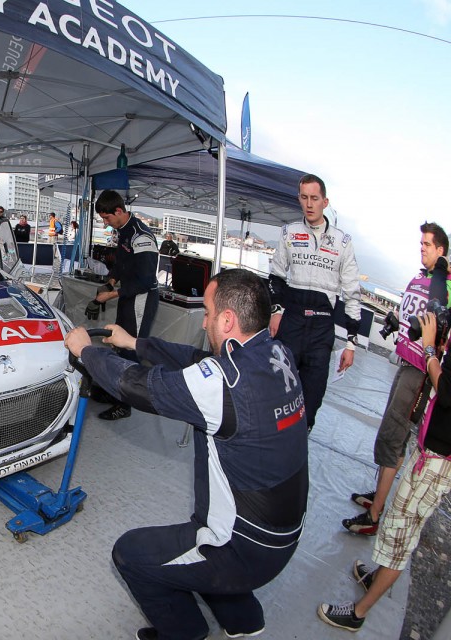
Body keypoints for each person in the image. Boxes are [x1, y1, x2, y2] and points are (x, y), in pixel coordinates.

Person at [64, 268, 308, 640]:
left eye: (209, 313)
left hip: (241, 548)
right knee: (209, 542)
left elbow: (133, 385)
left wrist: (87, 351)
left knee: (130, 554)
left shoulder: (223, 385)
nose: (205, 320)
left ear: (227, 319)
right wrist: (135, 344)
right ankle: (244, 619)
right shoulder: (276, 353)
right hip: (282, 537)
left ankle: (186, 633)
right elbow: (197, 359)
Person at [318, 309, 451, 632]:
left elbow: (446, 392)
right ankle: (377, 577)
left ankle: (357, 614)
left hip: (437, 461)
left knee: (399, 535)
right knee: (396, 524)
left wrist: (432, 350)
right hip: (428, 452)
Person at [342, 222, 450, 535]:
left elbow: (439, 317)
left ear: (441, 250)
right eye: (421, 243)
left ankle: (375, 516)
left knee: (393, 435)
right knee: (393, 436)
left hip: (420, 370)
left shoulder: (445, 283)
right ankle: (380, 494)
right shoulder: (419, 277)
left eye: (427, 244)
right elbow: (409, 312)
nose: (422, 248)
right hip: (405, 363)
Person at [268, 173, 361, 432]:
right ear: (299, 198)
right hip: (292, 321)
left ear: (325, 201)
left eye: (314, 198)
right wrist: (276, 311)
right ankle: (270, 445)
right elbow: (276, 276)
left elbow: (353, 293)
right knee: (277, 389)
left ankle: (298, 443)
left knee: (313, 395)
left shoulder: (343, 242)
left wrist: (351, 344)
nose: (309, 204)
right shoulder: (289, 233)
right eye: (304, 197)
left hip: (321, 328)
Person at [85, 189, 160, 421]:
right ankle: (116, 392)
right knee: (118, 344)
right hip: (128, 295)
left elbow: (146, 281)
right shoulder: (123, 232)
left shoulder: (142, 236)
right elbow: (121, 264)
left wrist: (112, 295)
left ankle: (126, 404)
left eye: (107, 218)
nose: (106, 223)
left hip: (142, 299)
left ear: (118, 211)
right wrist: (109, 283)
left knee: (130, 349)